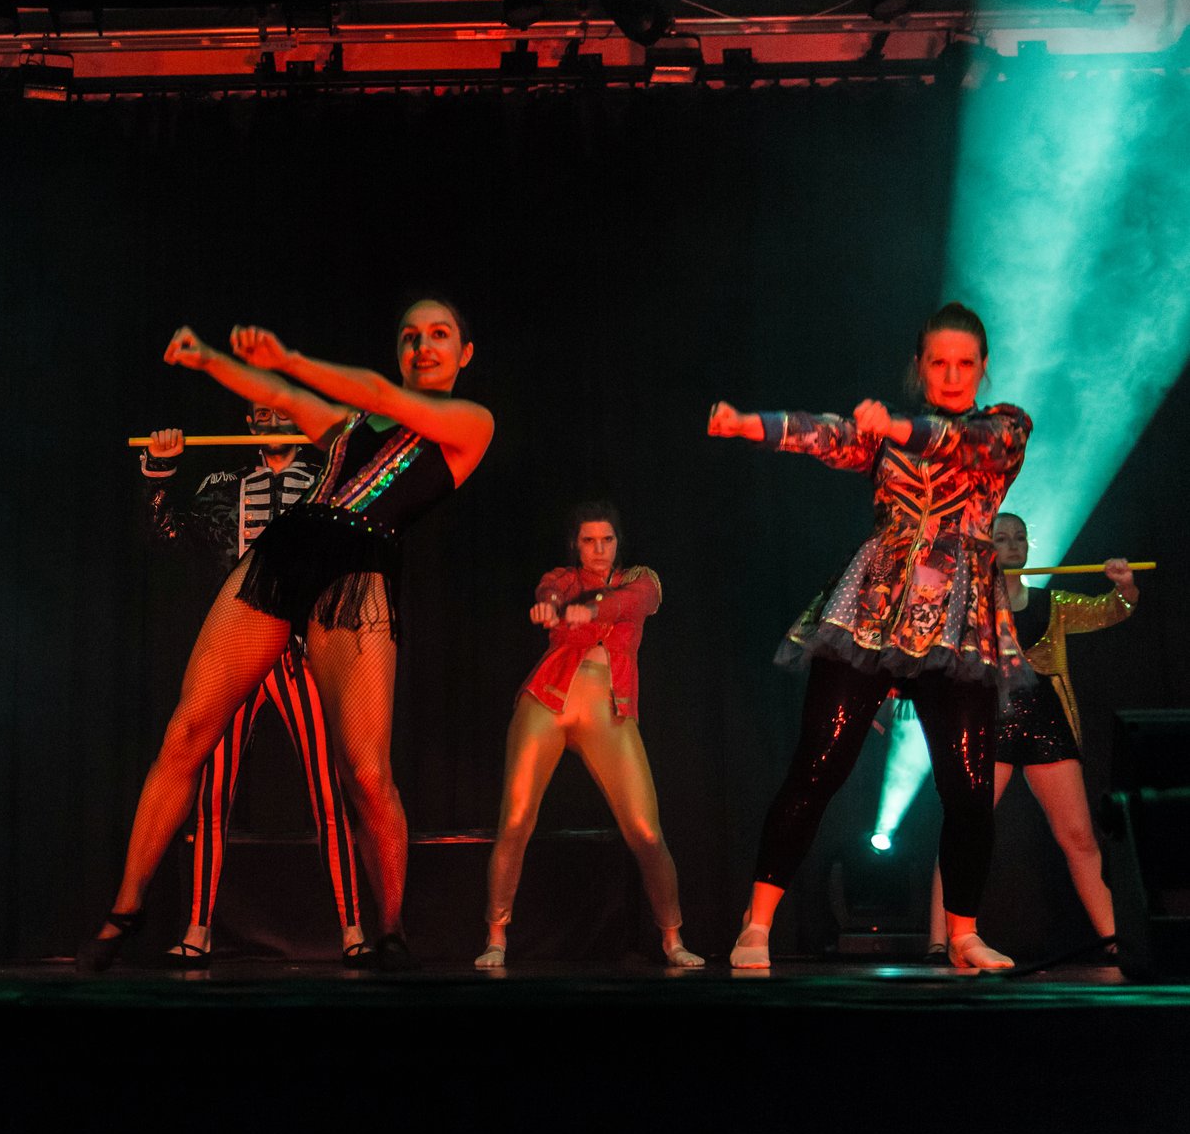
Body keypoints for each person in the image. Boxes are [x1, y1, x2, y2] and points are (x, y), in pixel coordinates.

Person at [83, 298, 493, 972]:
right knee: (188, 731)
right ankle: (125, 910)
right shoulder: (353, 423)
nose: (423, 346)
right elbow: (282, 397)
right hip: (285, 552)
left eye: (439, 335)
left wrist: (290, 357)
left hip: (356, 572)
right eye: (411, 335)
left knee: (366, 772)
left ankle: (390, 931)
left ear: (464, 353)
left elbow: (376, 391)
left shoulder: (471, 423)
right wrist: (209, 359)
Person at [708, 302, 1030, 970]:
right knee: (819, 766)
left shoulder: (1005, 427)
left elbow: (959, 444)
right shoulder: (885, 435)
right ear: (919, 366)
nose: (951, 375)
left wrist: (898, 426)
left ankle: (964, 933)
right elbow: (826, 434)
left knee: (969, 788)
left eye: (964, 363)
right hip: (872, 609)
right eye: (938, 362)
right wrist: (747, 425)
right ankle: (756, 923)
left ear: (983, 367)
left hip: (957, 622)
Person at [140, 403, 368, 966]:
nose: (272, 420)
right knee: (211, 798)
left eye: (281, 411)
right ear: (248, 425)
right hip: (235, 651)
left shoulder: (326, 482)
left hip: (299, 652)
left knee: (329, 793)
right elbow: (169, 535)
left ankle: (354, 928)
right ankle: (197, 928)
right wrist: (160, 473)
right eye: (260, 413)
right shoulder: (224, 485)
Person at [477, 502, 703, 969]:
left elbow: (630, 603)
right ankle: (496, 936)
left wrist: (591, 608)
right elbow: (549, 591)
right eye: (588, 541)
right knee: (515, 820)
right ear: (575, 545)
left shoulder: (641, 579)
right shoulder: (564, 579)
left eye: (607, 540)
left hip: (609, 711)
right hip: (548, 700)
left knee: (646, 832)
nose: (598, 550)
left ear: (619, 542)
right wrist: (551, 605)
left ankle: (673, 939)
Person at [924, 512, 1136, 957]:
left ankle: (1117, 942)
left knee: (1080, 838)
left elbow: (1112, 610)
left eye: (1019, 538)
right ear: (987, 549)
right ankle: (940, 941)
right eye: (1002, 538)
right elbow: (923, 650)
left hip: (1047, 725)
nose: (1013, 545)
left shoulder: (1054, 602)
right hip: (989, 725)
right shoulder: (968, 607)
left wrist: (1125, 587)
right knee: (964, 829)